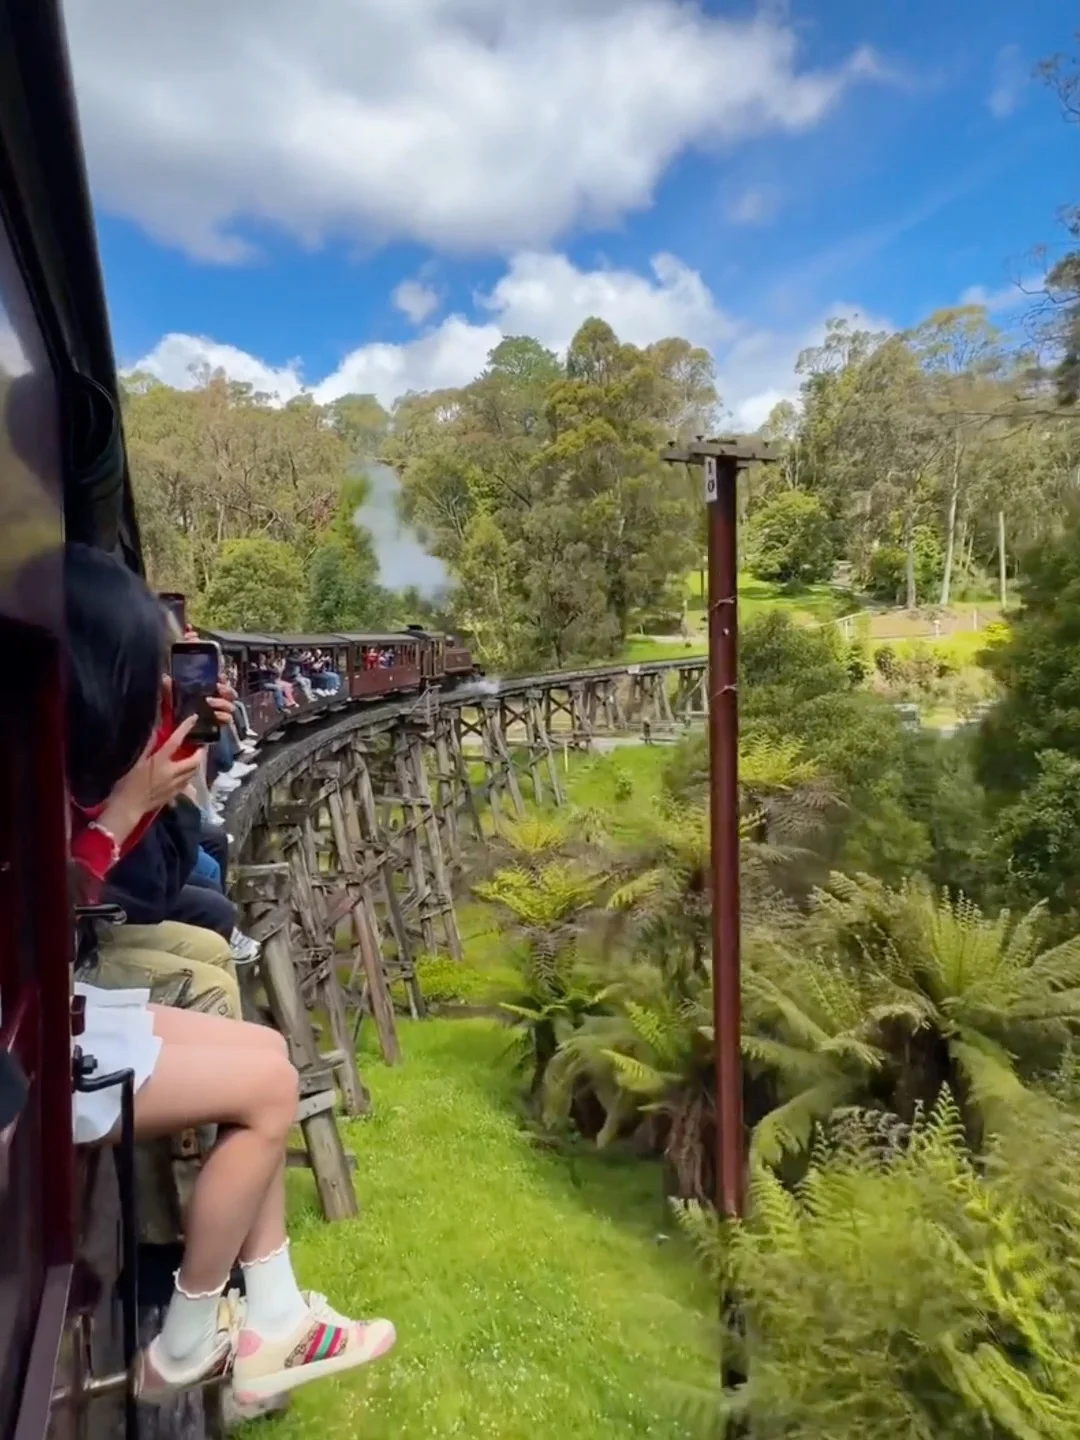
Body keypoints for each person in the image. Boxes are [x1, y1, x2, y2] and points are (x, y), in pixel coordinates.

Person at [65, 544, 395, 1403]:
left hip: (50, 1008)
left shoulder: (49, 767)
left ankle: (270, 1316)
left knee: (266, 1060)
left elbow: (101, 876)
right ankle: (191, 1336)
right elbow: (56, 896)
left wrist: (157, 794)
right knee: (267, 1087)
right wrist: (136, 805)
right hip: (35, 1041)